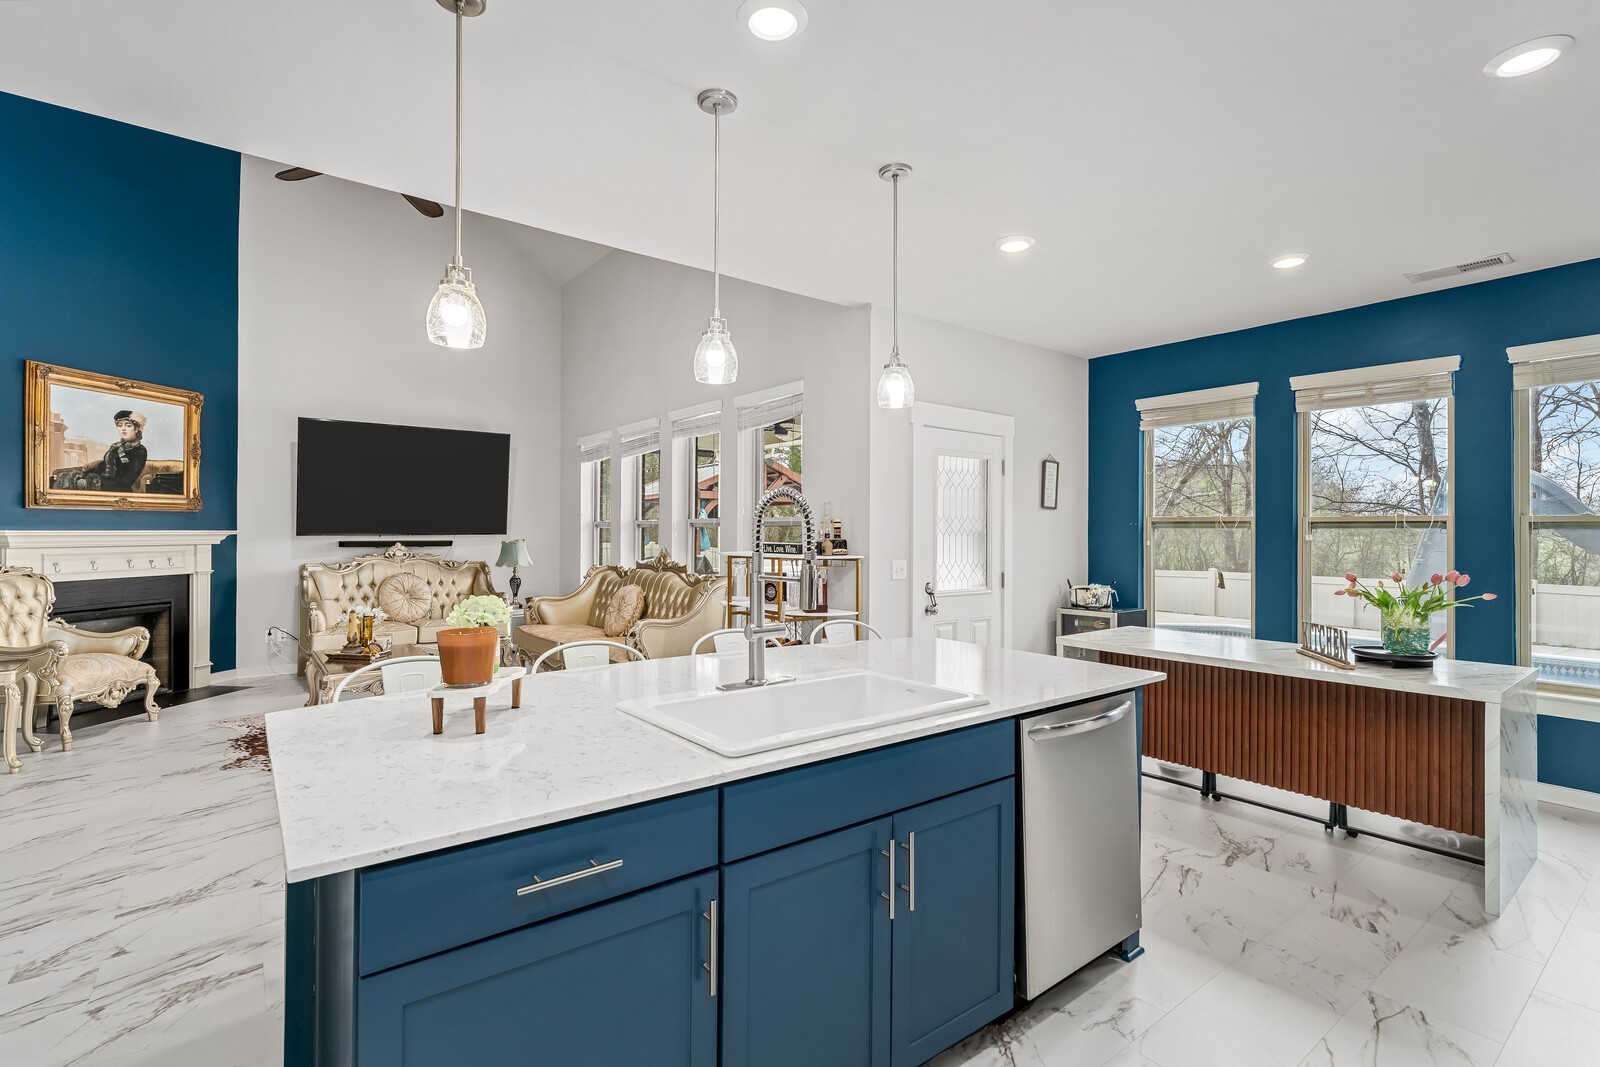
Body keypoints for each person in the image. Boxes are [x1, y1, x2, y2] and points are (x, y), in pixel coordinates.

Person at [52, 409, 148, 492]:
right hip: (103, 485)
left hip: (118, 491)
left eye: (128, 426)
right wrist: (83, 475)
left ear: (136, 429)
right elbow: (102, 466)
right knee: (65, 478)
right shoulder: (116, 447)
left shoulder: (140, 450)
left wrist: (91, 481)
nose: (123, 429)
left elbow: (126, 481)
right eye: (119, 425)